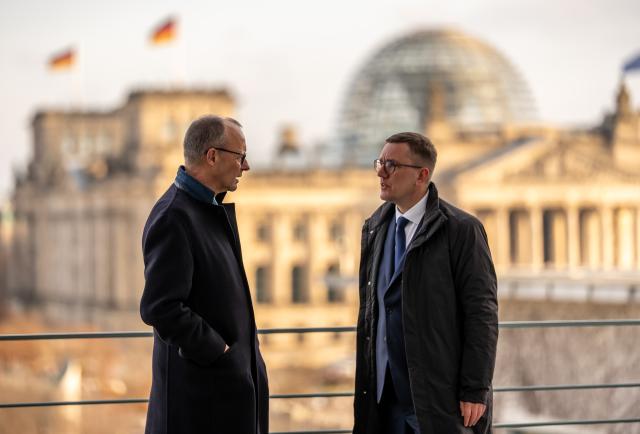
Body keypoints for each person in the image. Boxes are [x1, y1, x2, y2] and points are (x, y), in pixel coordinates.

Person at [353, 132, 498, 434]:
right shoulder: (374, 229)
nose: (380, 172)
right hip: (383, 401)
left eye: (391, 165)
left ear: (422, 175)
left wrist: (475, 388)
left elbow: (481, 314)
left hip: (436, 400)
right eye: (379, 162)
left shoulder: (462, 230)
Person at [140, 115, 268, 434]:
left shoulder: (205, 210)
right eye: (240, 156)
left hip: (220, 394)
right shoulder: (174, 217)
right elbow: (160, 307)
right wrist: (220, 352)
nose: (246, 166)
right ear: (212, 156)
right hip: (200, 403)